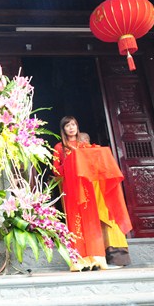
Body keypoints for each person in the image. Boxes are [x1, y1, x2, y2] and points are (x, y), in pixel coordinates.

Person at [53, 115, 132, 271]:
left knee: (91, 222)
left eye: (73, 124)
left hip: (87, 188)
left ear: (77, 126)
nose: (71, 128)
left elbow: (94, 163)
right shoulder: (59, 147)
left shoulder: (84, 146)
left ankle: (96, 259)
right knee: (75, 222)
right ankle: (79, 262)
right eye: (67, 125)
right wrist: (70, 162)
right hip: (71, 188)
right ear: (63, 129)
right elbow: (56, 170)